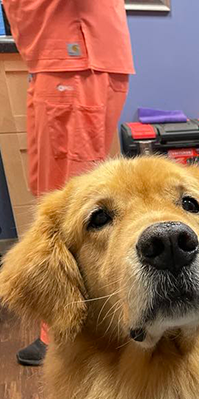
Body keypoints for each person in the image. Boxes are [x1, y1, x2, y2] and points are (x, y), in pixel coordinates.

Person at [2, 0, 135, 366]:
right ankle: (89, 317)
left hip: (72, 58)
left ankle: (60, 333)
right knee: (57, 191)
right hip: (64, 56)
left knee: (66, 203)